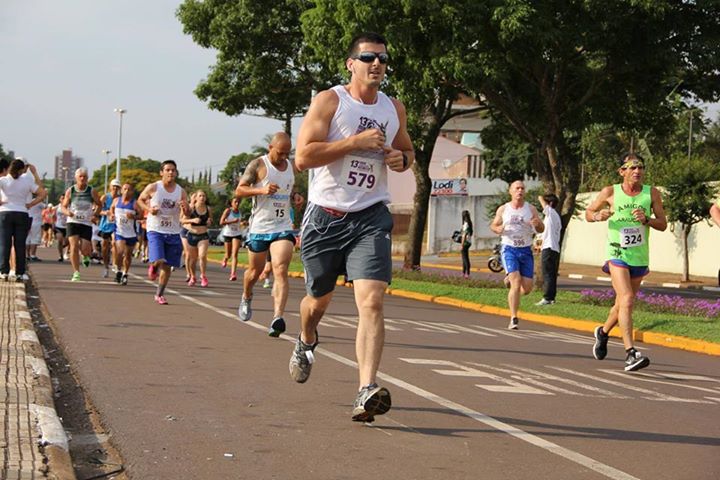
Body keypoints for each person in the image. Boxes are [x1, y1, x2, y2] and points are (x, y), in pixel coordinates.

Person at [288, 32, 415, 423]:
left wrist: (400, 160)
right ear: (351, 63)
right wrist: (354, 141)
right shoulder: (330, 101)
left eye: (382, 58)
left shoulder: (394, 108)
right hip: (326, 217)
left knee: (372, 301)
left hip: (371, 216)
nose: (376, 64)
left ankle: (366, 389)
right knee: (317, 302)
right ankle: (306, 339)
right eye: (368, 57)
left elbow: (408, 152)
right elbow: (303, 157)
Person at [585, 153, 667, 372]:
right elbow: (588, 212)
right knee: (628, 298)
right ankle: (631, 353)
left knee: (621, 304)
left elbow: (663, 224)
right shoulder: (610, 192)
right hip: (617, 252)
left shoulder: (652, 193)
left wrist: (647, 220)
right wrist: (597, 216)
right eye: (632, 167)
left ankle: (602, 333)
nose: (637, 171)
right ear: (622, 171)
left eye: (640, 167)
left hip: (639, 256)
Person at [235, 131, 303, 337]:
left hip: (282, 226)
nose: (283, 157)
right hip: (260, 227)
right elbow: (239, 190)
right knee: (253, 273)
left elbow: (290, 187)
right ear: (270, 149)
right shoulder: (258, 165)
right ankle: (246, 296)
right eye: (280, 153)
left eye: (286, 154)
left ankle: (277, 317)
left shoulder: (291, 166)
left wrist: (296, 196)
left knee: (280, 269)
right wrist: (261, 190)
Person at [490, 180, 544, 330]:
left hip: (526, 250)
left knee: (526, 288)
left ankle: (510, 282)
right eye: (517, 188)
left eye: (522, 188)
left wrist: (537, 223)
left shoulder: (531, 209)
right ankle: (513, 318)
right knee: (516, 281)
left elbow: (541, 228)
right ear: (511, 191)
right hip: (509, 249)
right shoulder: (503, 209)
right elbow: (493, 225)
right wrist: (498, 228)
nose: (520, 190)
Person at [137, 160, 189, 305]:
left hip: (173, 231)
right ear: (162, 172)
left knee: (167, 267)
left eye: (173, 170)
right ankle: (153, 266)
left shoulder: (181, 191)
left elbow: (188, 211)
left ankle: (159, 294)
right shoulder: (154, 187)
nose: (171, 172)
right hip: (155, 229)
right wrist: (149, 209)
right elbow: (140, 200)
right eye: (167, 170)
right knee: (160, 260)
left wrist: (185, 208)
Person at [0, 159, 46, 282]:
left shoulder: (3, 180)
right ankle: (20, 272)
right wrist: (30, 204)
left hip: (5, 212)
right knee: (20, 244)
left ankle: (4, 271)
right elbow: (42, 193)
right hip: (22, 212)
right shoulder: (27, 181)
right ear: (21, 170)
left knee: (5, 243)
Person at [61, 167, 101, 282]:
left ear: (87, 178)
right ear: (76, 178)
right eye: (80, 176)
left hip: (86, 222)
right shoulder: (71, 191)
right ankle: (76, 272)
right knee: (73, 246)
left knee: (85, 249)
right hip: (73, 221)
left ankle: (86, 256)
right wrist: (67, 212)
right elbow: (64, 206)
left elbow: (99, 204)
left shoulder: (91, 191)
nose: (82, 178)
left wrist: (95, 215)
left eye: (85, 176)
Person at [111, 183, 142, 285]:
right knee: (119, 252)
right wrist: (111, 215)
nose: (126, 191)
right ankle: (119, 271)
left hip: (131, 233)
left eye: (129, 189)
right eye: (124, 189)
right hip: (119, 231)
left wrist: (133, 217)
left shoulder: (134, 203)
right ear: (121, 190)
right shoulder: (116, 201)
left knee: (128, 255)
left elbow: (141, 215)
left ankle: (125, 274)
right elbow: (111, 209)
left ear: (132, 192)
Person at [181, 190, 212, 287]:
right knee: (193, 259)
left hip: (203, 235)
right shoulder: (191, 208)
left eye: (204, 196)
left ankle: (203, 276)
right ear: (196, 198)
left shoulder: (208, 208)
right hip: (192, 235)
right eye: (200, 196)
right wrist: (192, 220)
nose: (202, 198)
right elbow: (182, 220)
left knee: (202, 256)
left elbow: (210, 219)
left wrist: (209, 222)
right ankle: (193, 276)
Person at [535, 194, 562, 305]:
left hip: (549, 247)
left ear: (550, 204)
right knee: (551, 274)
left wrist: (540, 197)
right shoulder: (551, 217)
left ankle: (547, 297)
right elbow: (544, 233)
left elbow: (543, 202)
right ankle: (551, 297)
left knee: (547, 274)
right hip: (552, 247)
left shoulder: (551, 213)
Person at [98, 179, 121, 277]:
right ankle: (105, 267)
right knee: (104, 247)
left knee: (114, 243)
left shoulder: (120, 199)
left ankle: (115, 265)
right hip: (105, 225)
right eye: (114, 186)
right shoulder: (105, 197)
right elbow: (97, 211)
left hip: (116, 226)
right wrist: (105, 212)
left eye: (117, 186)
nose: (115, 188)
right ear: (110, 187)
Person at [219, 197, 243, 281]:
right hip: (228, 234)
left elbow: (240, 222)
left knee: (235, 254)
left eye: (238, 202)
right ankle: (225, 258)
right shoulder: (228, 211)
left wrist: (243, 223)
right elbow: (221, 222)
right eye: (235, 202)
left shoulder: (240, 212)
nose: (237, 203)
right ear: (231, 203)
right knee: (228, 254)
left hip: (237, 234)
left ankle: (233, 274)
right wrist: (232, 221)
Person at [460, 210, 473, 278]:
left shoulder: (465, 224)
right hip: (469, 242)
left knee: (465, 258)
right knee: (465, 257)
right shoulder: (470, 223)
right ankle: (464, 272)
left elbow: (464, 235)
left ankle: (466, 273)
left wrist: (462, 244)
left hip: (465, 243)